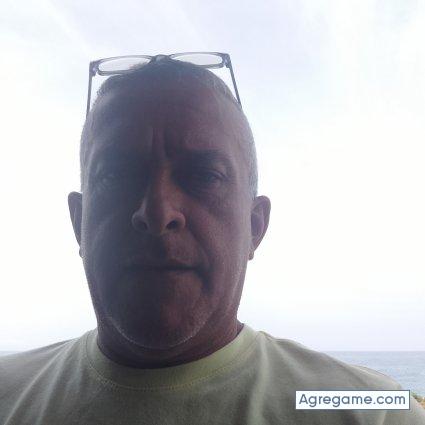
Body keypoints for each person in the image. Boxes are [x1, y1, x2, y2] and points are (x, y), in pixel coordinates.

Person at [1, 57, 424, 425]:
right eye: (116, 175)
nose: (157, 212)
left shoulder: (374, 412)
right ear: (79, 222)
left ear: (255, 227)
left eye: (204, 176)